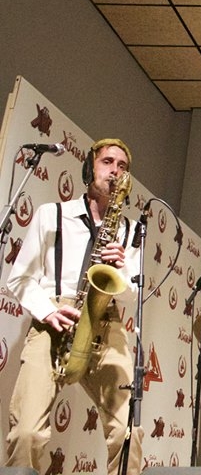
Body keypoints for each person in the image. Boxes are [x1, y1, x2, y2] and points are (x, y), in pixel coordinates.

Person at [5, 138, 144, 475]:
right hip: (53, 319)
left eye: (122, 166)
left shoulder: (130, 230)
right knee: (26, 433)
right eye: (107, 162)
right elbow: (19, 278)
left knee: (127, 432)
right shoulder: (51, 214)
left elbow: (132, 294)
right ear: (89, 168)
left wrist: (121, 268)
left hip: (106, 322)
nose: (114, 171)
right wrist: (48, 311)